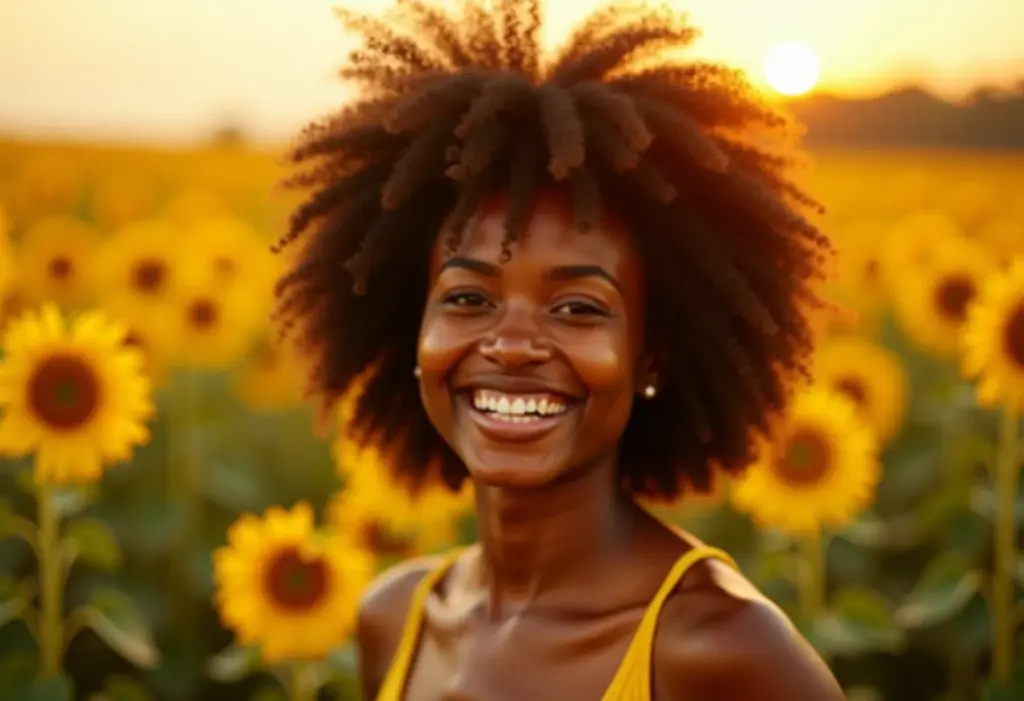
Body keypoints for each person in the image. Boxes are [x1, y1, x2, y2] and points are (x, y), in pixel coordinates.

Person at [273, 0, 844, 699]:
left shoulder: (721, 651)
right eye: (467, 297)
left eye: (577, 307)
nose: (511, 345)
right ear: (412, 330)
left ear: (651, 356)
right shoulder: (394, 620)